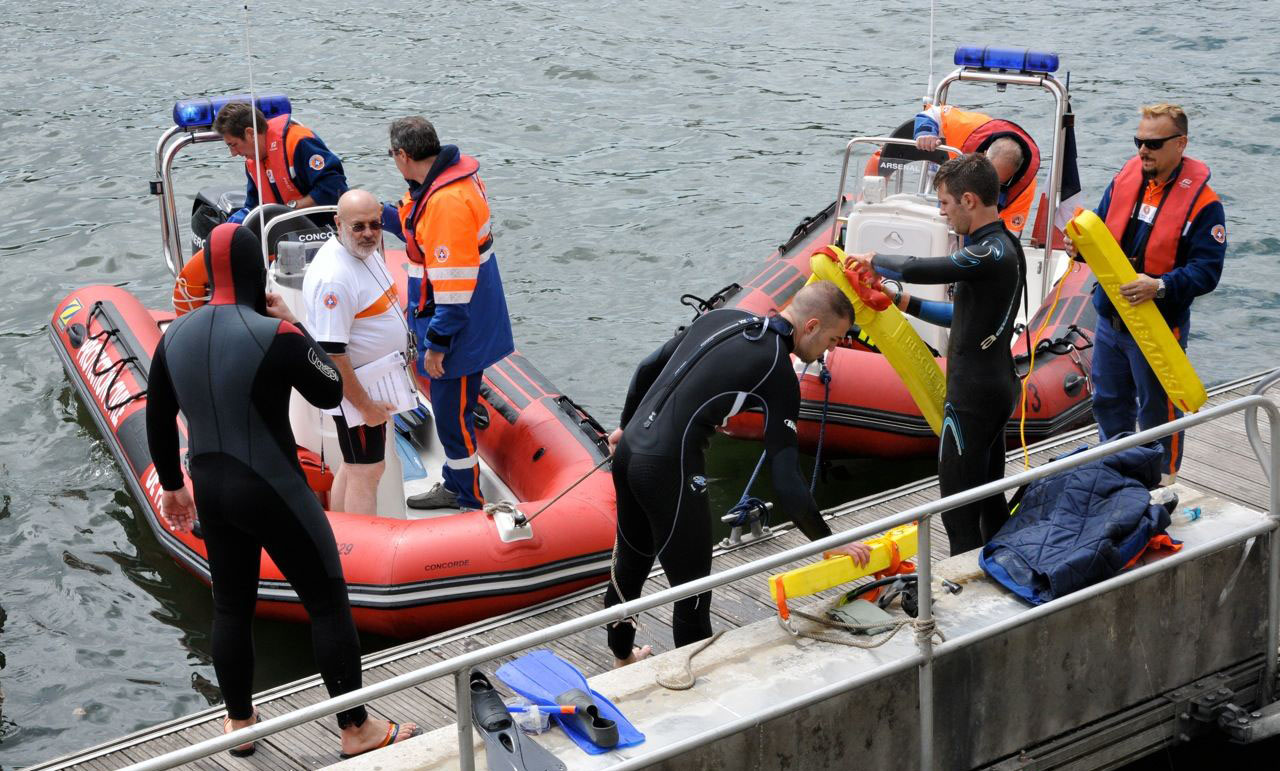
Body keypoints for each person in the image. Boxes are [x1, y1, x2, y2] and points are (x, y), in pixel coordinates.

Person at [145, 223, 419, 758]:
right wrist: (294, 323)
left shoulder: (174, 334)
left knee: (230, 606)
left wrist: (175, 487)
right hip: (271, 486)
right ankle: (356, 727)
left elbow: (158, 418)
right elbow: (328, 389)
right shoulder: (275, 333)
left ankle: (240, 723)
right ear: (257, 272)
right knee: (326, 603)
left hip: (212, 489)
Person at [603, 282, 871, 667]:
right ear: (811, 325)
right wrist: (827, 542)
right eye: (832, 339)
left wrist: (626, 427)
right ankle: (694, 683)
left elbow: (648, 366)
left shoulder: (726, 317)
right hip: (670, 467)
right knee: (694, 588)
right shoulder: (777, 371)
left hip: (631, 452)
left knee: (631, 560)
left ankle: (623, 657)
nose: (830, 350)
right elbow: (786, 478)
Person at [850, 153, 1027, 555]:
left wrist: (876, 260)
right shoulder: (1002, 245)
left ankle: (964, 605)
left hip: (973, 398)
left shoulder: (990, 253)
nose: (943, 214)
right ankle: (1000, 577)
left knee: (957, 515)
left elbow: (923, 267)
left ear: (969, 200)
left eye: (945, 204)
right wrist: (901, 301)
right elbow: (964, 317)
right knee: (988, 499)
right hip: (995, 388)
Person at [1067, 103, 1225, 485]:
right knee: (1107, 401)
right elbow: (1102, 229)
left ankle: (1162, 484)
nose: (1143, 150)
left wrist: (1160, 286)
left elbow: (1207, 272)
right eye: (1139, 141)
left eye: (1153, 143)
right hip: (1111, 320)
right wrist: (1081, 247)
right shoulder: (1126, 180)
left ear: (1180, 144)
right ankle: (1116, 475)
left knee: (1158, 412)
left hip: (1157, 325)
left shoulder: (1205, 205)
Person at [384, 116, 515, 510]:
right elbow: (424, 235)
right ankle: (458, 485)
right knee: (453, 412)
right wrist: (387, 216)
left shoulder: (444, 203)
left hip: (457, 330)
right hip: (466, 320)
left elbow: (454, 289)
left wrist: (438, 344)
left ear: (404, 155)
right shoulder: (451, 183)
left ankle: (467, 497)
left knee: (452, 420)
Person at [303, 190, 409, 515]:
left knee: (353, 466)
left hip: (375, 383)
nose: (368, 233)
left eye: (375, 225)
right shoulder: (336, 278)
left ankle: (341, 541)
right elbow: (332, 353)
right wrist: (365, 406)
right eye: (358, 226)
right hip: (359, 392)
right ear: (338, 223)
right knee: (367, 471)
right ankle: (356, 555)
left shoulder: (364, 253)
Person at [212, 100, 348, 225]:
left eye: (233, 144)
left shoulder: (299, 143)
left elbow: (334, 187)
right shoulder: (252, 162)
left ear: (250, 133)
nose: (233, 153)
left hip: (326, 228)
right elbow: (253, 206)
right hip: (284, 233)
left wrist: (290, 208)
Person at [913, 104, 1040, 235]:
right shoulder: (970, 128)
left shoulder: (1024, 188)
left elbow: (1010, 233)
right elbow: (933, 112)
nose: (988, 185)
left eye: (997, 182)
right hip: (956, 189)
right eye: (988, 176)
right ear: (983, 154)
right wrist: (926, 132)